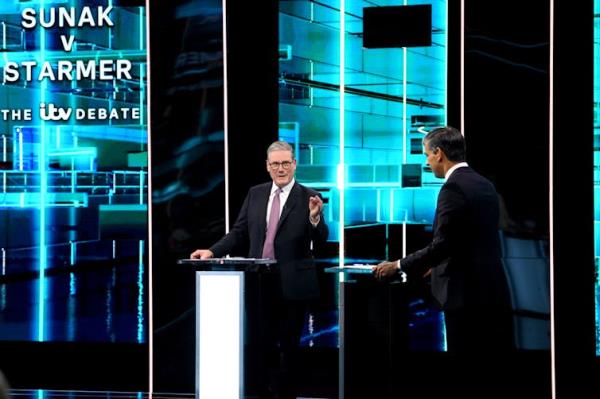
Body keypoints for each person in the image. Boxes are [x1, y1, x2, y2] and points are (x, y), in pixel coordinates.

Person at [190, 140, 328, 398]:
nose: (281, 168)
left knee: (288, 347)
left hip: (292, 283)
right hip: (259, 281)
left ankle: (286, 394)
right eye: (275, 164)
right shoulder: (256, 193)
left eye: (286, 163)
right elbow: (239, 231)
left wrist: (314, 218)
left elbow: (321, 239)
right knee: (260, 345)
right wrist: (212, 251)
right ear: (267, 166)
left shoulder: (309, 197)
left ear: (294, 164)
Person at [373, 126, 514, 353]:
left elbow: (444, 244)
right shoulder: (484, 184)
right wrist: (433, 266)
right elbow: (468, 239)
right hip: (490, 290)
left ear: (439, 153)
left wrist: (397, 265)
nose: (428, 162)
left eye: (427, 155)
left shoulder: (453, 188)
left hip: (463, 296)